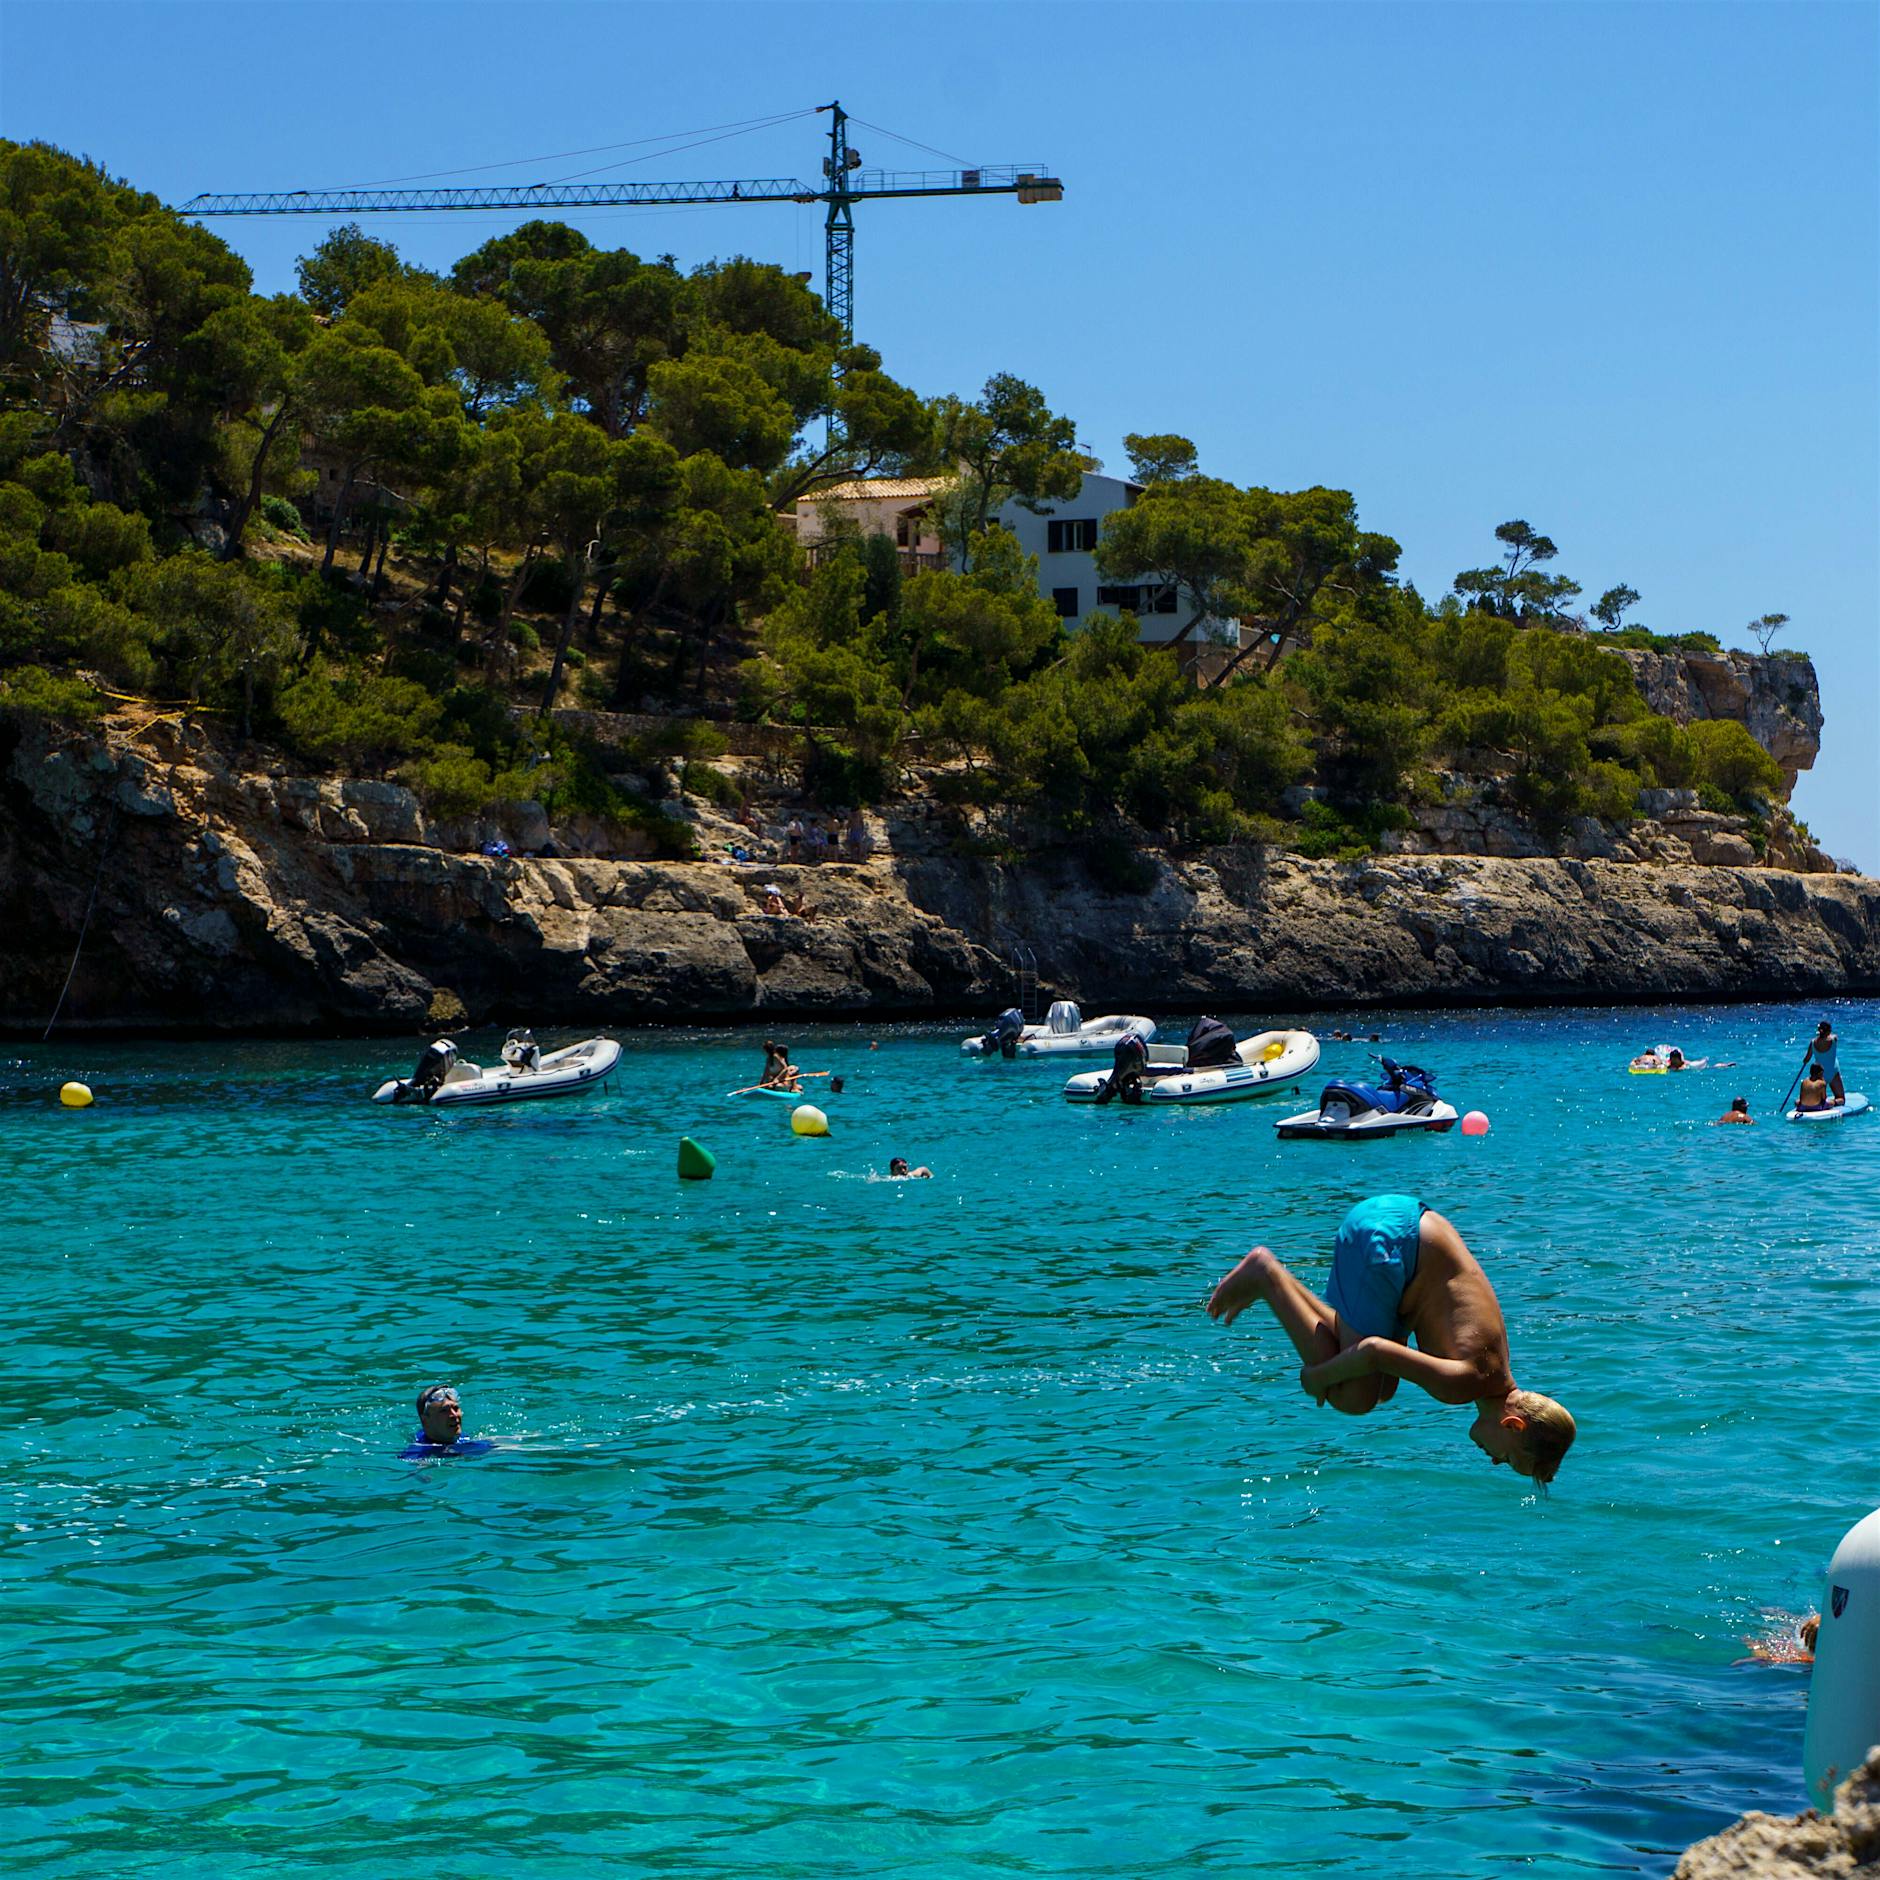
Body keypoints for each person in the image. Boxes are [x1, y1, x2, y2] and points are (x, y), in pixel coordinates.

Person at [1205, 1195, 1577, 1484]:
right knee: (1354, 1397)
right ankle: (1265, 1275)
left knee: (1381, 1389)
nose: (1494, 1461)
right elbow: (1374, 1351)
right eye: (1507, 1459)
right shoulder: (1465, 1385)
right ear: (1513, 1425)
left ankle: (1272, 1277)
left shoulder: (1494, 1370)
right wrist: (1317, 1378)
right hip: (1389, 1240)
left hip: (1403, 1227)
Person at [401, 1385, 493, 1458]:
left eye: (456, 1408)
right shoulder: (418, 1452)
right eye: (444, 1411)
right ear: (425, 1420)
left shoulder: (464, 1440)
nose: (454, 1415)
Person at [1812, 1020, 1845, 1103]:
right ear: (1829, 1031)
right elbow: (1832, 1035)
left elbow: (1806, 1059)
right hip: (1833, 1073)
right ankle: (1831, 1103)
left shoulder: (1812, 1043)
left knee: (1817, 1099)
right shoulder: (1834, 1039)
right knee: (1841, 1099)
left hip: (1819, 1075)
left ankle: (1821, 1102)